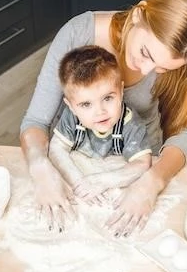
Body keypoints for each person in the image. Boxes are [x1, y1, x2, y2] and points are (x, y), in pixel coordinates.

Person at [20, 0, 187, 236]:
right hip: (73, 161)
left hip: (138, 166)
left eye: (162, 69)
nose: (147, 70)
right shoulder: (78, 33)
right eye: (146, 53)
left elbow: (183, 131)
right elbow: (36, 120)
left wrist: (152, 182)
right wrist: (39, 166)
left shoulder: (181, 58)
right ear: (138, 14)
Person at [49, 45, 152, 212]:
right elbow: (55, 149)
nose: (100, 111)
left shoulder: (130, 124)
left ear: (121, 91)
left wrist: (103, 181)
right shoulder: (71, 117)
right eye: (86, 104)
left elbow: (142, 164)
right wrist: (79, 183)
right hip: (81, 190)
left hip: (114, 193)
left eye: (108, 98)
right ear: (71, 106)